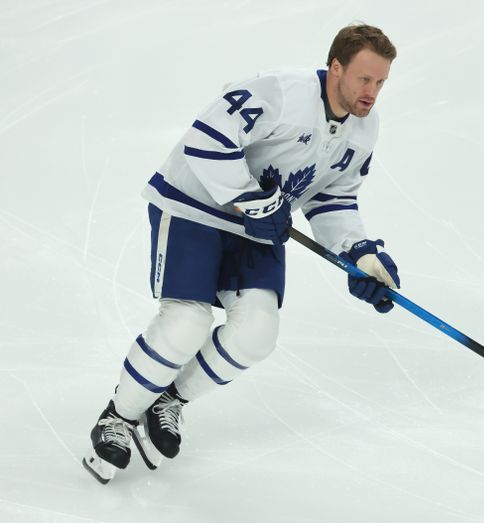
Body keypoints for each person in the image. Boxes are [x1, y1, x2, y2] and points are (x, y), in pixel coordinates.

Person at [83, 23, 400, 484]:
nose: (372, 92)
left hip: (259, 227)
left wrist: (359, 254)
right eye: (364, 79)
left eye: (381, 82)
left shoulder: (364, 129)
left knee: (256, 333)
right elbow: (206, 138)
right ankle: (119, 414)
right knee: (186, 322)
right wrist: (252, 199)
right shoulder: (280, 92)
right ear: (336, 67)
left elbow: (333, 199)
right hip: (196, 207)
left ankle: (169, 400)